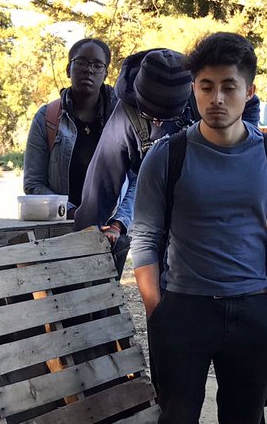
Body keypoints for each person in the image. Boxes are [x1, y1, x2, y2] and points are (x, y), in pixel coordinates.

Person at [131, 32, 267, 424]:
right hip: (183, 310)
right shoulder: (167, 155)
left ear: (249, 91)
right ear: (194, 88)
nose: (217, 98)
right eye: (206, 86)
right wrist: (158, 310)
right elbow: (145, 236)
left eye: (229, 86)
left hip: (255, 310)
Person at [72, 48, 193, 274]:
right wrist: (83, 246)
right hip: (157, 214)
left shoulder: (207, 98)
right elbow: (100, 185)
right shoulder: (125, 115)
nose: (158, 122)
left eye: (167, 118)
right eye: (150, 115)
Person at [22, 37, 118, 213]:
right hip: (63, 223)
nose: (89, 70)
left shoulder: (121, 118)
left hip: (113, 225)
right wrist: (72, 213)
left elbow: (135, 179)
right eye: (81, 62)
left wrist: (119, 222)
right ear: (68, 69)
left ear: (105, 74)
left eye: (97, 65)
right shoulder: (47, 118)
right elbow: (34, 183)